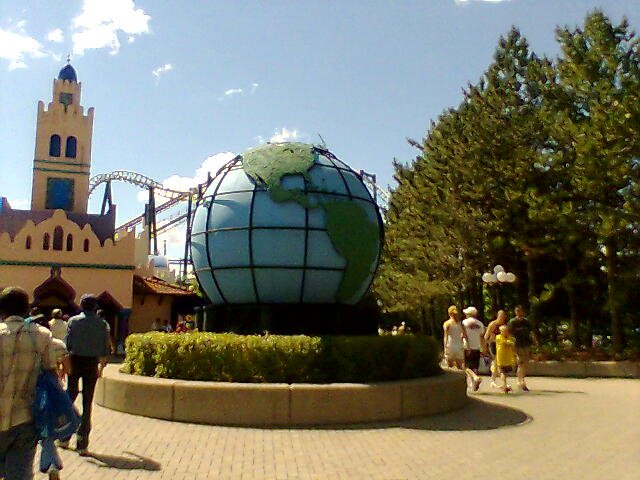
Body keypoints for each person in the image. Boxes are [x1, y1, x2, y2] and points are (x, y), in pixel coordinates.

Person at [0, 287, 68, 480]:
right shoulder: (42, 335)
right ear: (26, 309)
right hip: (26, 418)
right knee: (20, 474)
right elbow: (51, 375)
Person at [59, 294, 110, 455]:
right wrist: (101, 366)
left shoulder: (73, 321)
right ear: (95, 307)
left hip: (74, 361)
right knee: (87, 403)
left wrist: (63, 366)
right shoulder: (102, 323)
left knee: (69, 397)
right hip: (91, 363)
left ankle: (65, 436)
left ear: (81, 305)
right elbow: (104, 349)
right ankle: (83, 443)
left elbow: (67, 345)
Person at [508, 305, 535, 392]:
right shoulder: (512, 322)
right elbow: (510, 334)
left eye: (520, 311)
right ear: (515, 312)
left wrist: (535, 342)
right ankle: (521, 381)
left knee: (525, 363)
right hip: (517, 344)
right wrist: (512, 345)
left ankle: (521, 379)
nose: (519, 312)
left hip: (526, 344)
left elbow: (531, 332)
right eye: (517, 311)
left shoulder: (526, 322)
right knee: (520, 362)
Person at [461, 306, 486, 391]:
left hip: (467, 346)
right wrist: (483, 348)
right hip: (477, 346)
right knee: (474, 366)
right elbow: (482, 336)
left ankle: (475, 377)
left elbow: (462, 334)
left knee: (465, 366)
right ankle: (474, 383)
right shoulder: (480, 324)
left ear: (468, 314)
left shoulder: (464, 322)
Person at [484, 310, 508, 388]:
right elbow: (486, 336)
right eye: (501, 316)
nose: (502, 318)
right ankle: (498, 381)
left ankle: (493, 380)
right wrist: (486, 346)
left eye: (503, 316)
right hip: (494, 345)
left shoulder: (505, 325)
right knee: (497, 362)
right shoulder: (493, 324)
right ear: (498, 316)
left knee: (498, 364)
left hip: (503, 347)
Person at [495, 324, 516, 393]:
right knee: (502, 372)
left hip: (508, 358)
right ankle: (504, 385)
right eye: (502, 331)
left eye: (505, 331)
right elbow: (505, 342)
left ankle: (505, 384)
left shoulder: (510, 338)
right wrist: (510, 343)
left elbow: (513, 343)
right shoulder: (498, 337)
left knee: (505, 373)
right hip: (501, 358)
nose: (503, 332)